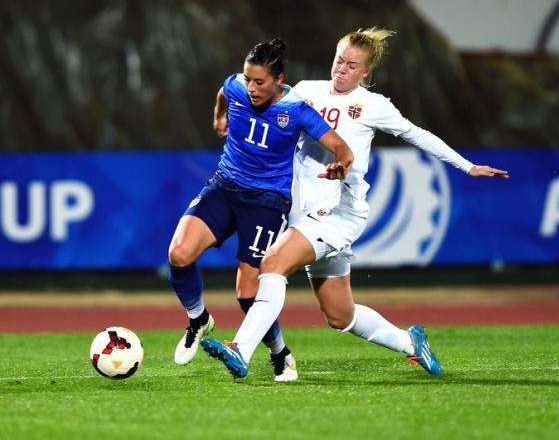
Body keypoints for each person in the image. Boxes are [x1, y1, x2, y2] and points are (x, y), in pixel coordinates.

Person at [202, 28, 508, 379]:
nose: (341, 70)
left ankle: (240, 350)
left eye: (351, 65)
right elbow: (256, 106)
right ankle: (411, 342)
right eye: (338, 61)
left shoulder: (375, 106)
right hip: (303, 212)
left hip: (337, 212)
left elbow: (417, 134)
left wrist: (467, 166)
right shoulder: (305, 92)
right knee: (339, 315)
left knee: (271, 265)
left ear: (366, 73)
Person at [167, 37, 353, 382]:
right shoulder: (236, 86)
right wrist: (219, 117)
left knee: (247, 292)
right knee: (179, 254)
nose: (250, 88)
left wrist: (342, 163)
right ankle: (198, 320)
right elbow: (225, 91)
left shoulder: (296, 109)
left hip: (267, 200)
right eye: (248, 79)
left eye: (259, 82)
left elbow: (341, 147)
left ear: (279, 80)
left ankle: (280, 353)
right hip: (225, 185)